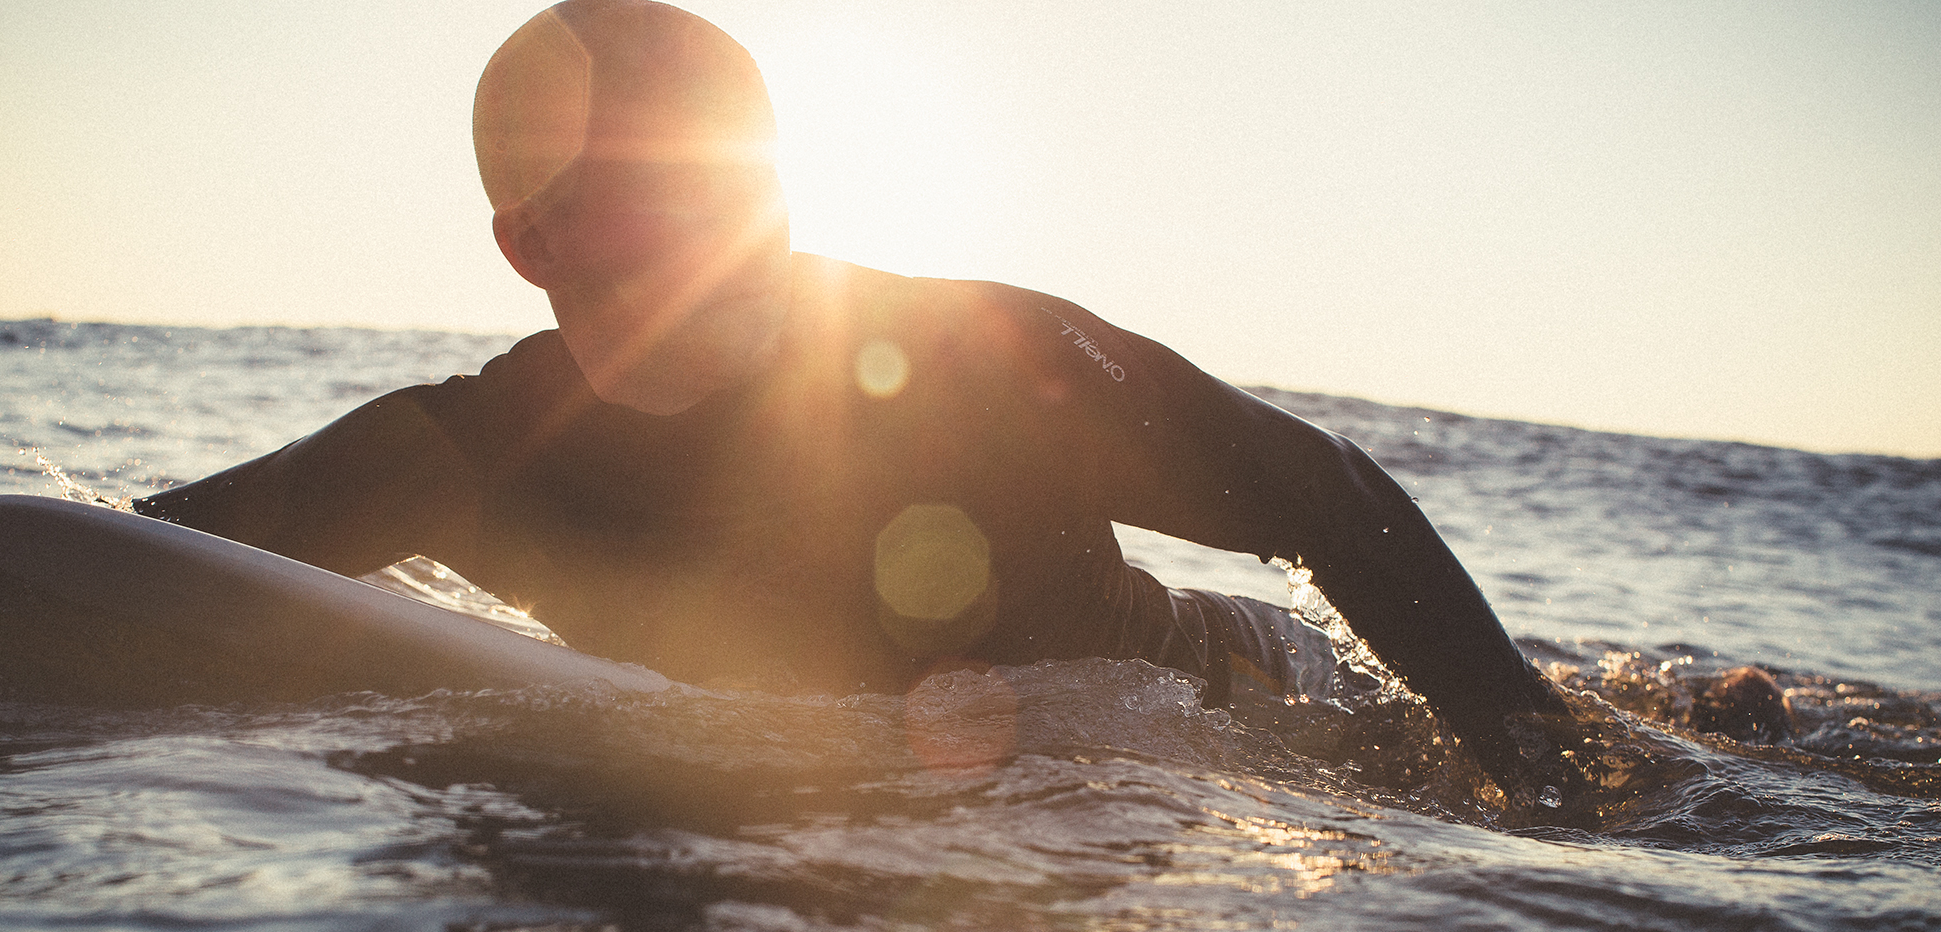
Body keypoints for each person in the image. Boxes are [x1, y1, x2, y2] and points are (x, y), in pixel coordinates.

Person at [134, 0, 1580, 800]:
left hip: (1245, 703)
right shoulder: (463, 459)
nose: (722, 227)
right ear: (533, 242)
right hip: (892, 780)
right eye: (653, 191)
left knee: (1645, 753)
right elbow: (110, 573)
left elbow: (1324, 491)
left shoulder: (978, 362)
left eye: (742, 174)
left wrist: (1535, 763)